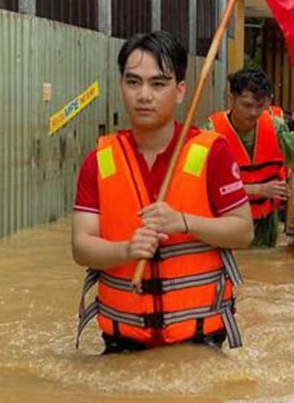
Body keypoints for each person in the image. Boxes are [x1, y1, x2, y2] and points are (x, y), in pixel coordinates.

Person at [72, 31, 254, 353]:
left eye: (158, 84)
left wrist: (184, 221)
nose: (144, 95)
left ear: (180, 90)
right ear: (121, 86)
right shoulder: (99, 161)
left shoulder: (213, 153)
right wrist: (126, 250)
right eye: (133, 82)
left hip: (199, 341)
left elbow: (243, 232)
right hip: (122, 343)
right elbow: (81, 247)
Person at [203, 68, 294, 248]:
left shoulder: (274, 125)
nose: (254, 113)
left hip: (266, 221)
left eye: (260, 106)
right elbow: (205, 186)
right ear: (231, 99)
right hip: (227, 219)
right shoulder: (210, 132)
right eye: (247, 105)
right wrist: (258, 189)